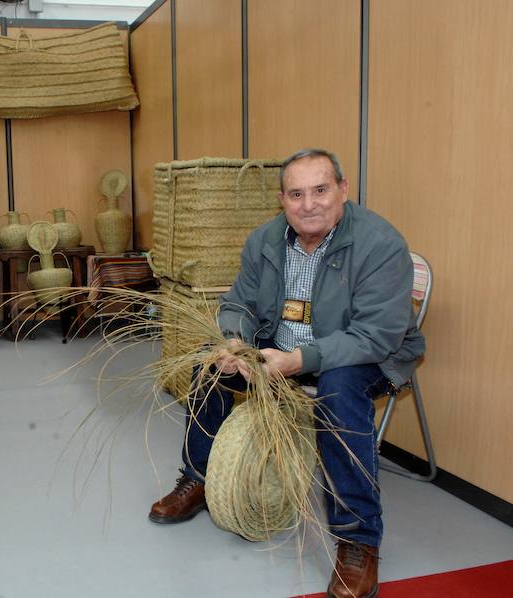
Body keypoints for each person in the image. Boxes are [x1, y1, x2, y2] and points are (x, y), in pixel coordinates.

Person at [147, 149, 425, 598]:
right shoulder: (265, 240)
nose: (309, 204)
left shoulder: (381, 243)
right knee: (207, 363)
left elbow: (376, 336)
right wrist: (235, 341)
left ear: (343, 190)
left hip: (361, 356)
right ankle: (198, 477)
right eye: (296, 194)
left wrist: (300, 361)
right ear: (282, 200)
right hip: (280, 351)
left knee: (336, 390)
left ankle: (358, 539)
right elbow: (239, 303)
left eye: (320, 190)